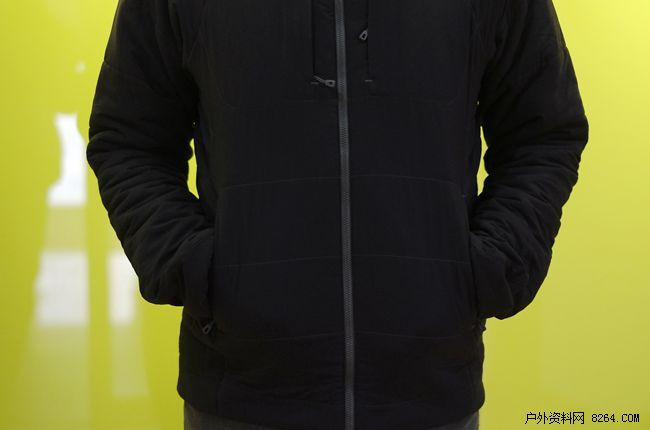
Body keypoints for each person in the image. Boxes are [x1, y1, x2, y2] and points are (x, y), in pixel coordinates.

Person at [86, 0, 589, 428]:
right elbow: (130, 140)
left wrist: (493, 265)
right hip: (240, 389)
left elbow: (543, 134)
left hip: (430, 388)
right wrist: (193, 268)